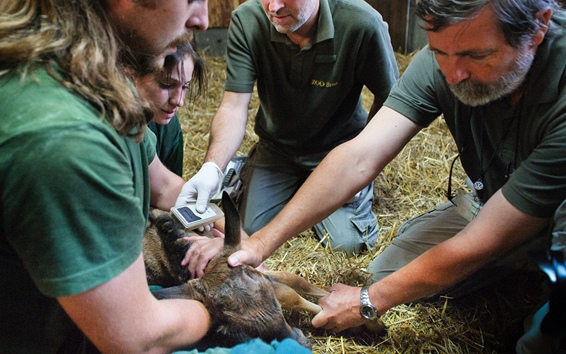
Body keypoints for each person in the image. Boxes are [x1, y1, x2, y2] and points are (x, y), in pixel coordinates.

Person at [221, 0, 566, 352]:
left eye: (476, 56)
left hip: (550, 218)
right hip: (499, 201)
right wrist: (261, 243)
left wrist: (369, 300)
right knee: (388, 275)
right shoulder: (444, 60)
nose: (452, 74)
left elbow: (490, 235)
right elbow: (360, 156)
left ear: (538, 27)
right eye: (439, 52)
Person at [0, 0, 210, 353]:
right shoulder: (64, 136)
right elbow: (138, 338)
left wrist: (226, 233)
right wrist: (218, 307)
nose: (202, 19)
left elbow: (164, 186)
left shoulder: (90, 82)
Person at [175, 0, 399, 264]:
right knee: (250, 230)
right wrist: (212, 167)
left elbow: (392, 102)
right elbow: (234, 106)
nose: (274, 7)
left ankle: (319, 190)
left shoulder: (361, 22)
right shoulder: (247, 20)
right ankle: (242, 172)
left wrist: (365, 160)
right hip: (278, 150)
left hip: (339, 153)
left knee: (346, 243)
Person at [137, 42, 208, 177]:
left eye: (185, 86)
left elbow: (169, 188)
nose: (179, 101)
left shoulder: (169, 126)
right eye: (167, 84)